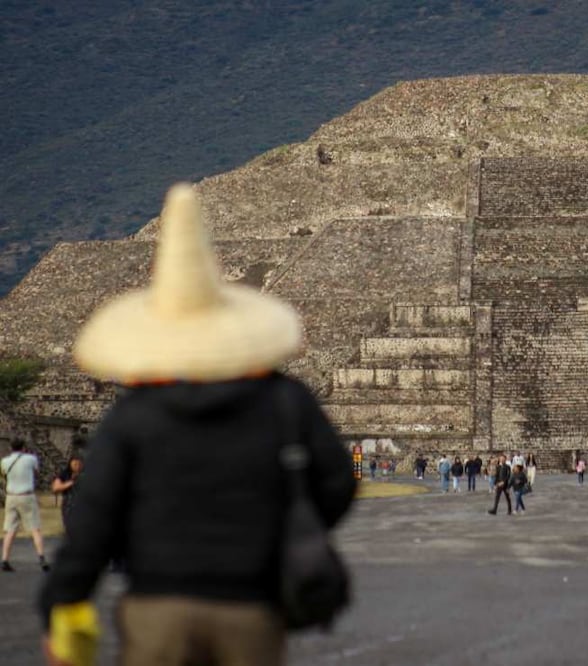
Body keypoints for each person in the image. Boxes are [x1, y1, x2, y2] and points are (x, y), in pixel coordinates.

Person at [37, 184, 355, 665]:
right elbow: (336, 485)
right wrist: (281, 528)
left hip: (157, 606)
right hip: (251, 604)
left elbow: (93, 519)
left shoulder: (135, 415)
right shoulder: (284, 402)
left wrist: (63, 602)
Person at [2, 439, 49, 572]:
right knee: (35, 528)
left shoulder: (5, 461)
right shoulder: (31, 459)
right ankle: (41, 557)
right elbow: (36, 472)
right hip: (26, 495)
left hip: (11, 496)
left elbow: (4, 475)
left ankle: (5, 559)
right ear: (23, 447)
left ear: (11, 448)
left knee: (10, 529)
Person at [51, 450, 86, 533]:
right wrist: (70, 482)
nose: (77, 467)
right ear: (70, 464)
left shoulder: (87, 473)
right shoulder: (65, 474)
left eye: (79, 464)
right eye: (75, 464)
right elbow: (55, 488)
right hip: (68, 506)